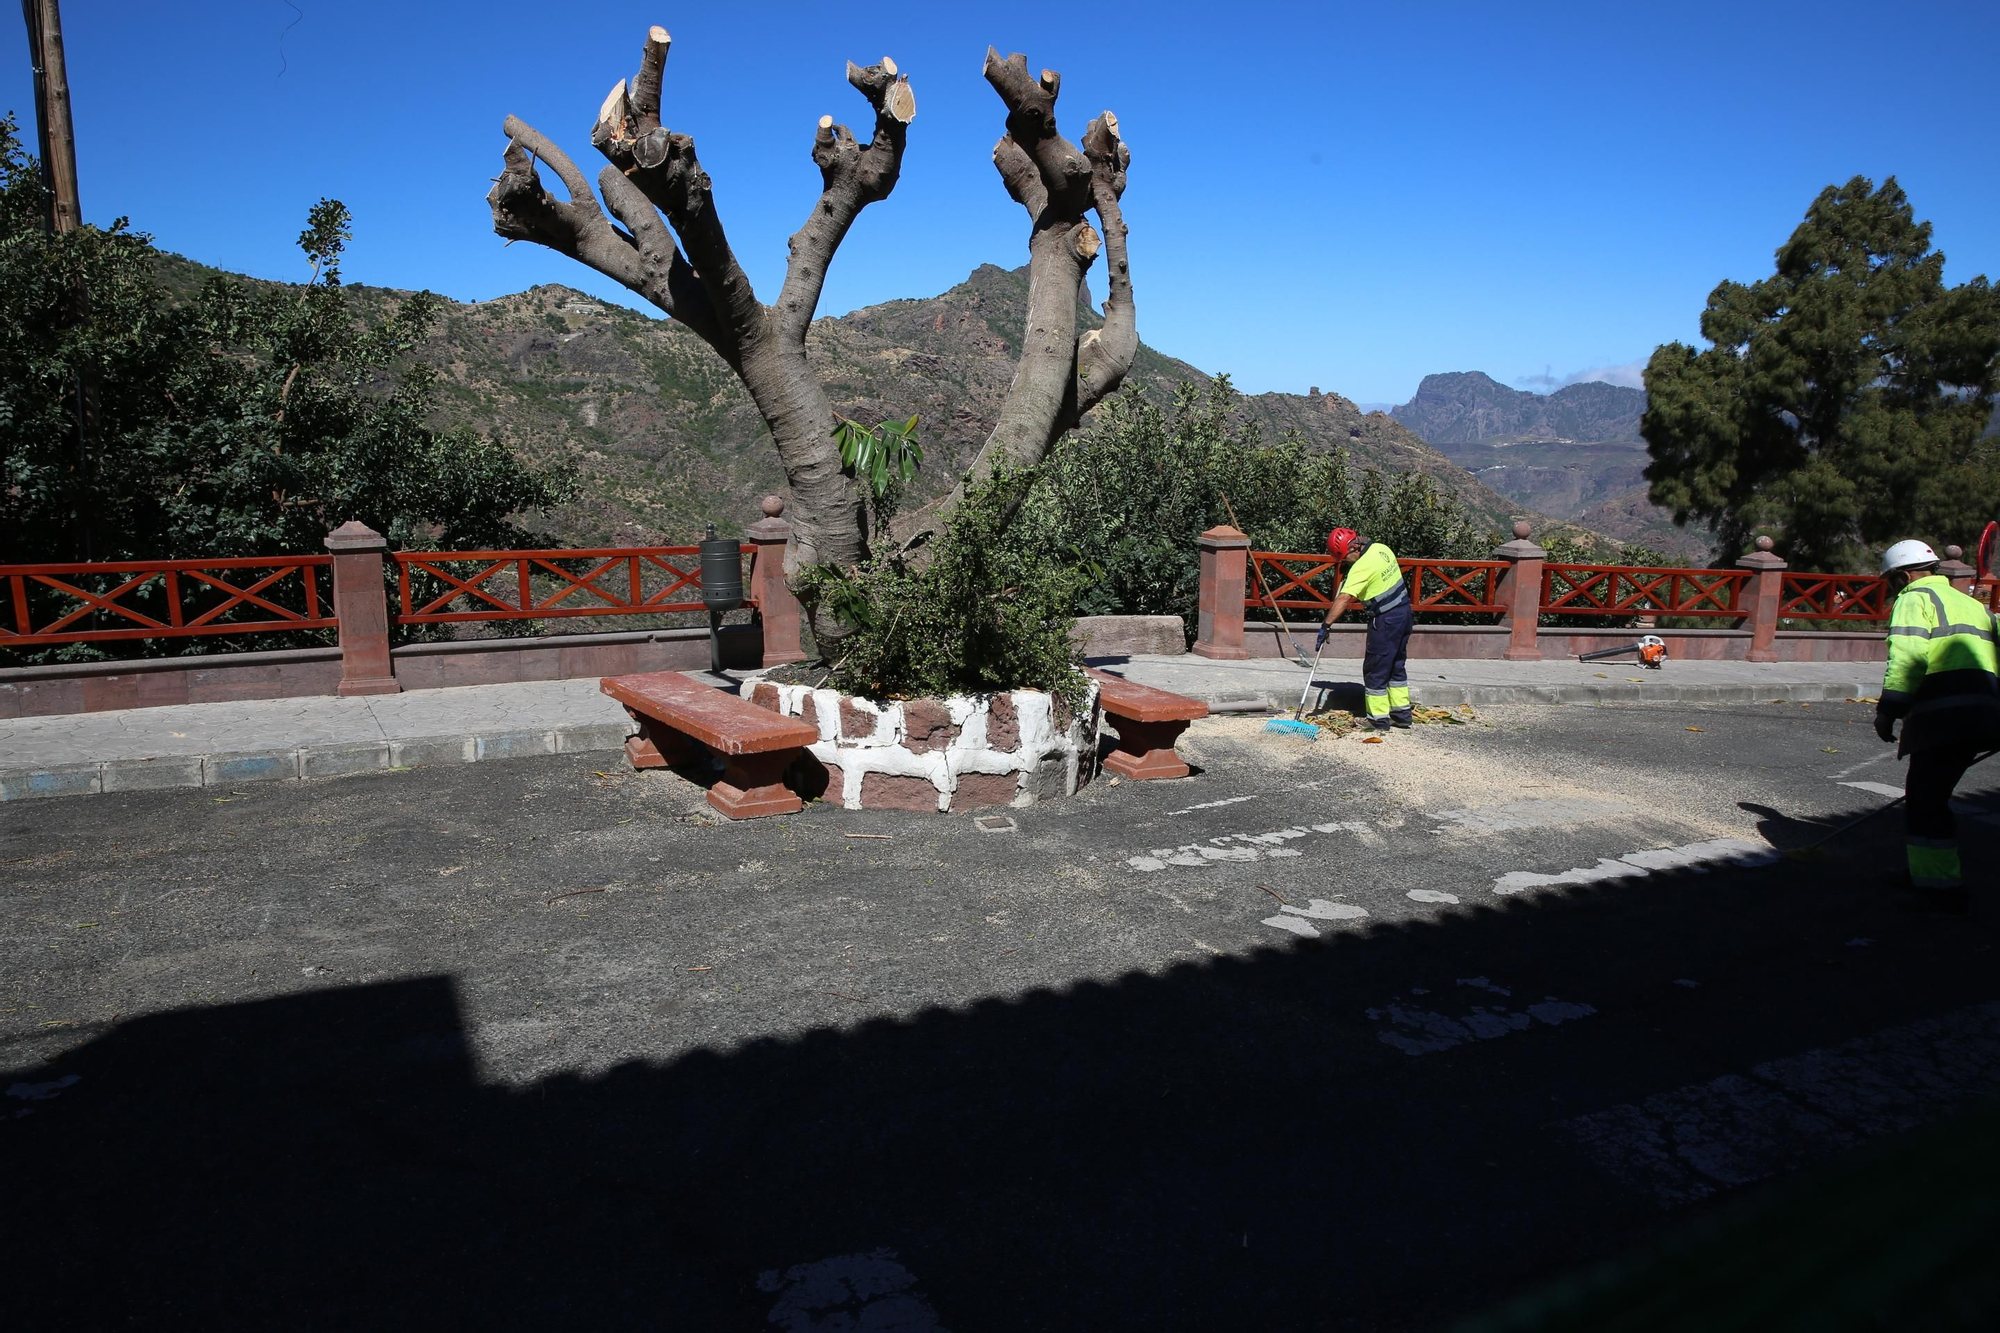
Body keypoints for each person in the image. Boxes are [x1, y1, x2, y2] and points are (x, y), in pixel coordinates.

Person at [1873, 539, 2000, 911]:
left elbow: (1909, 655)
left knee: (1926, 800)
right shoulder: (1972, 604)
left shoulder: (1914, 597)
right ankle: (1928, 874)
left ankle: (1940, 885)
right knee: (1932, 794)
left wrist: (1889, 709)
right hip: (1983, 711)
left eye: (1893, 580)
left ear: (1904, 575)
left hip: (1944, 712)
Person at [1316, 527, 1413, 733]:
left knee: (1375, 668)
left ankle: (1378, 720)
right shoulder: (1382, 549)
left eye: (1344, 558)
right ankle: (1401, 715)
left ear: (1352, 549)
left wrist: (1326, 625)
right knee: (1396, 664)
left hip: (1385, 620)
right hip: (1404, 614)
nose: (1345, 563)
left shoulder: (1361, 568)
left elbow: (1343, 598)